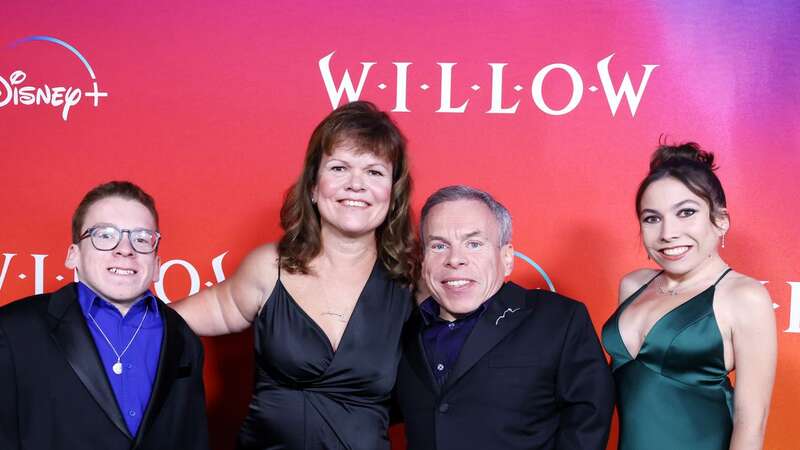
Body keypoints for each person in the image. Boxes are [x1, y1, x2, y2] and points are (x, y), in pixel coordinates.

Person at [173, 101, 418, 450]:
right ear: (314, 187)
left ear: (392, 194)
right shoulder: (269, 267)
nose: (356, 185)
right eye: (339, 168)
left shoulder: (412, 284)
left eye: (374, 172)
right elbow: (165, 323)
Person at [394, 185, 614, 450]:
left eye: (474, 244)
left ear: (506, 258)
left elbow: (588, 422)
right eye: (439, 245)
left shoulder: (558, 320)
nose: (455, 259)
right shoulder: (402, 329)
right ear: (423, 259)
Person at [0, 181, 209, 450]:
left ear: (156, 265)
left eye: (142, 238)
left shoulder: (183, 337)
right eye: (105, 235)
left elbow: (192, 439)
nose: (125, 249)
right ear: (73, 255)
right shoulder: (13, 330)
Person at [602, 142, 777, 450]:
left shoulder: (743, 296)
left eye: (686, 212)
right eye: (652, 218)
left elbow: (752, 422)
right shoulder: (632, 286)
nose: (668, 232)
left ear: (720, 220)